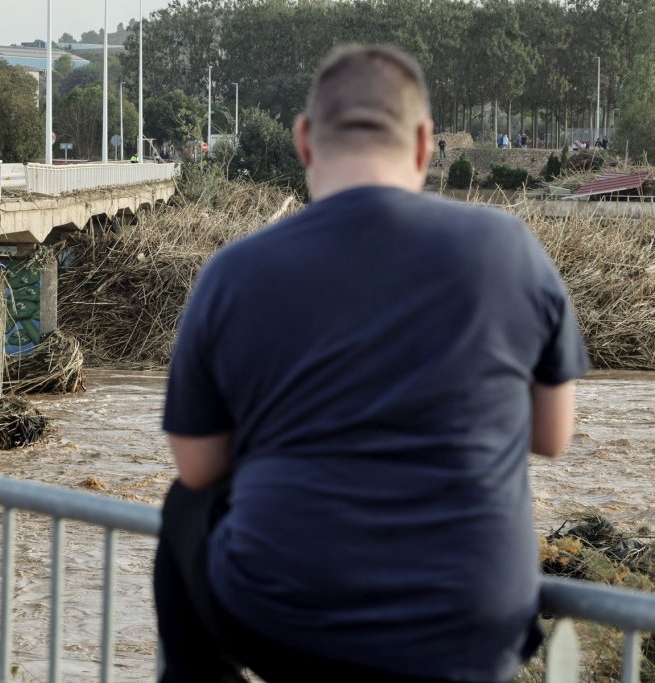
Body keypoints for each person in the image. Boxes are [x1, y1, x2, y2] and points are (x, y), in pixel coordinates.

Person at [156, 43, 589, 683]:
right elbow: (552, 436)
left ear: (304, 141)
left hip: (289, 623)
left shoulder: (236, 271)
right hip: (471, 628)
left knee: (187, 505)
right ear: (423, 145)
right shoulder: (510, 248)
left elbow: (198, 464)